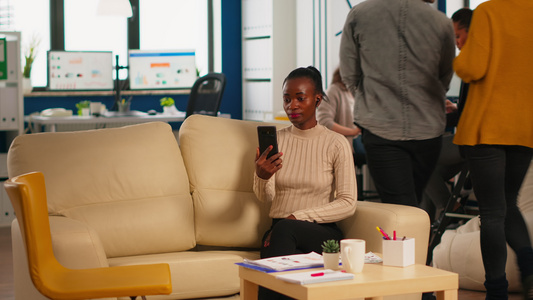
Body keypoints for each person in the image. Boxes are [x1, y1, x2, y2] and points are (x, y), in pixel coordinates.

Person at [339, 0, 456, 208]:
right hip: (428, 128)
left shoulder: (359, 14)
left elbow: (349, 74)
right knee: (413, 202)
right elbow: (444, 76)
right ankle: (419, 240)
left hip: (380, 126)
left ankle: (413, 240)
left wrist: (373, 101)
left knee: (399, 207)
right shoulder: (441, 22)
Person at [254, 66, 357, 300]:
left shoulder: (336, 143)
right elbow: (265, 198)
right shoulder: (277, 140)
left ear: (317, 99)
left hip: (321, 232)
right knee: (279, 242)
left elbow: (348, 203)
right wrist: (262, 176)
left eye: (300, 98)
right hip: (280, 229)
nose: (292, 106)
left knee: (283, 231)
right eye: (287, 99)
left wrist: (296, 217)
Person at [453, 0, 533, 298]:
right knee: (508, 202)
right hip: (525, 128)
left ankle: (496, 291)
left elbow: (472, 67)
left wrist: (458, 59)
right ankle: (529, 269)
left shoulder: (489, 11)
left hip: (488, 126)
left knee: (492, 213)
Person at [421, 8, 473, 224]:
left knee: (420, 157)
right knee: (426, 179)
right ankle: (426, 239)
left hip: (471, 142)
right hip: (469, 140)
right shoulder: (472, 61)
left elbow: (472, 116)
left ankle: (450, 209)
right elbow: (471, 110)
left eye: (458, 36)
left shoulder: (473, 63)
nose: (456, 43)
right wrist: (456, 110)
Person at [317, 67, 361, 148]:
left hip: (357, 143)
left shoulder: (353, 92)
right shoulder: (334, 91)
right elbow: (324, 122)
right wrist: (353, 132)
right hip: (344, 146)